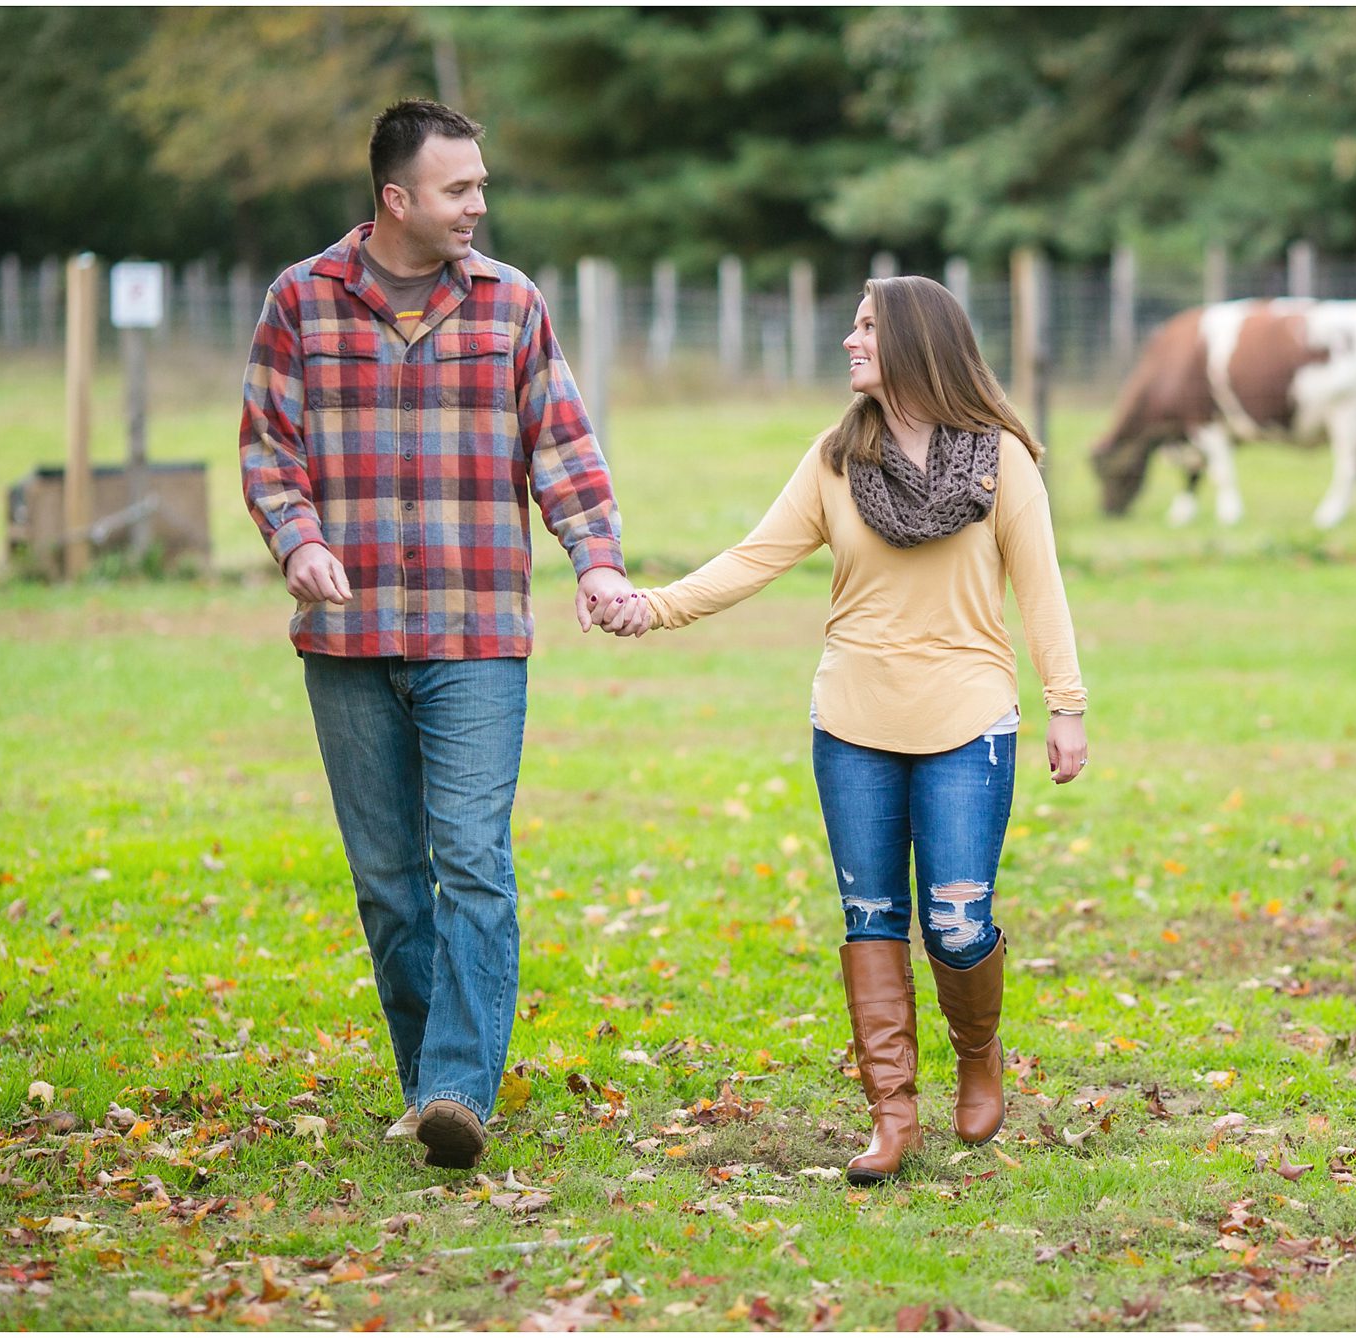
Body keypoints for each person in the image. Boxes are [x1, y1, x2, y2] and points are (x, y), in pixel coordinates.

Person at [600, 276, 1089, 1183]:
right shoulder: (834, 460)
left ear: (914, 344)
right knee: (870, 917)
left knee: (956, 921)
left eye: (866, 328)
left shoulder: (1000, 463)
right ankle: (892, 1114)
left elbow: (1042, 589)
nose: (849, 342)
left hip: (969, 717)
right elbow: (755, 557)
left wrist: (1067, 706)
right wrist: (652, 606)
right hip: (853, 723)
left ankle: (977, 1053)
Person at [240, 99, 633, 1170]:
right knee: (386, 879)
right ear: (395, 198)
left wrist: (594, 557)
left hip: (475, 632)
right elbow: (270, 448)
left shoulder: (510, 305)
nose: (479, 205)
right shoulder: (302, 304)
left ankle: (459, 1088)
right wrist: (296, 539)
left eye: (482, 186)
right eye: (459, 188)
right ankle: (429, 1086)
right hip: (347, 636)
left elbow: (561, 442)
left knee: (470, 859)